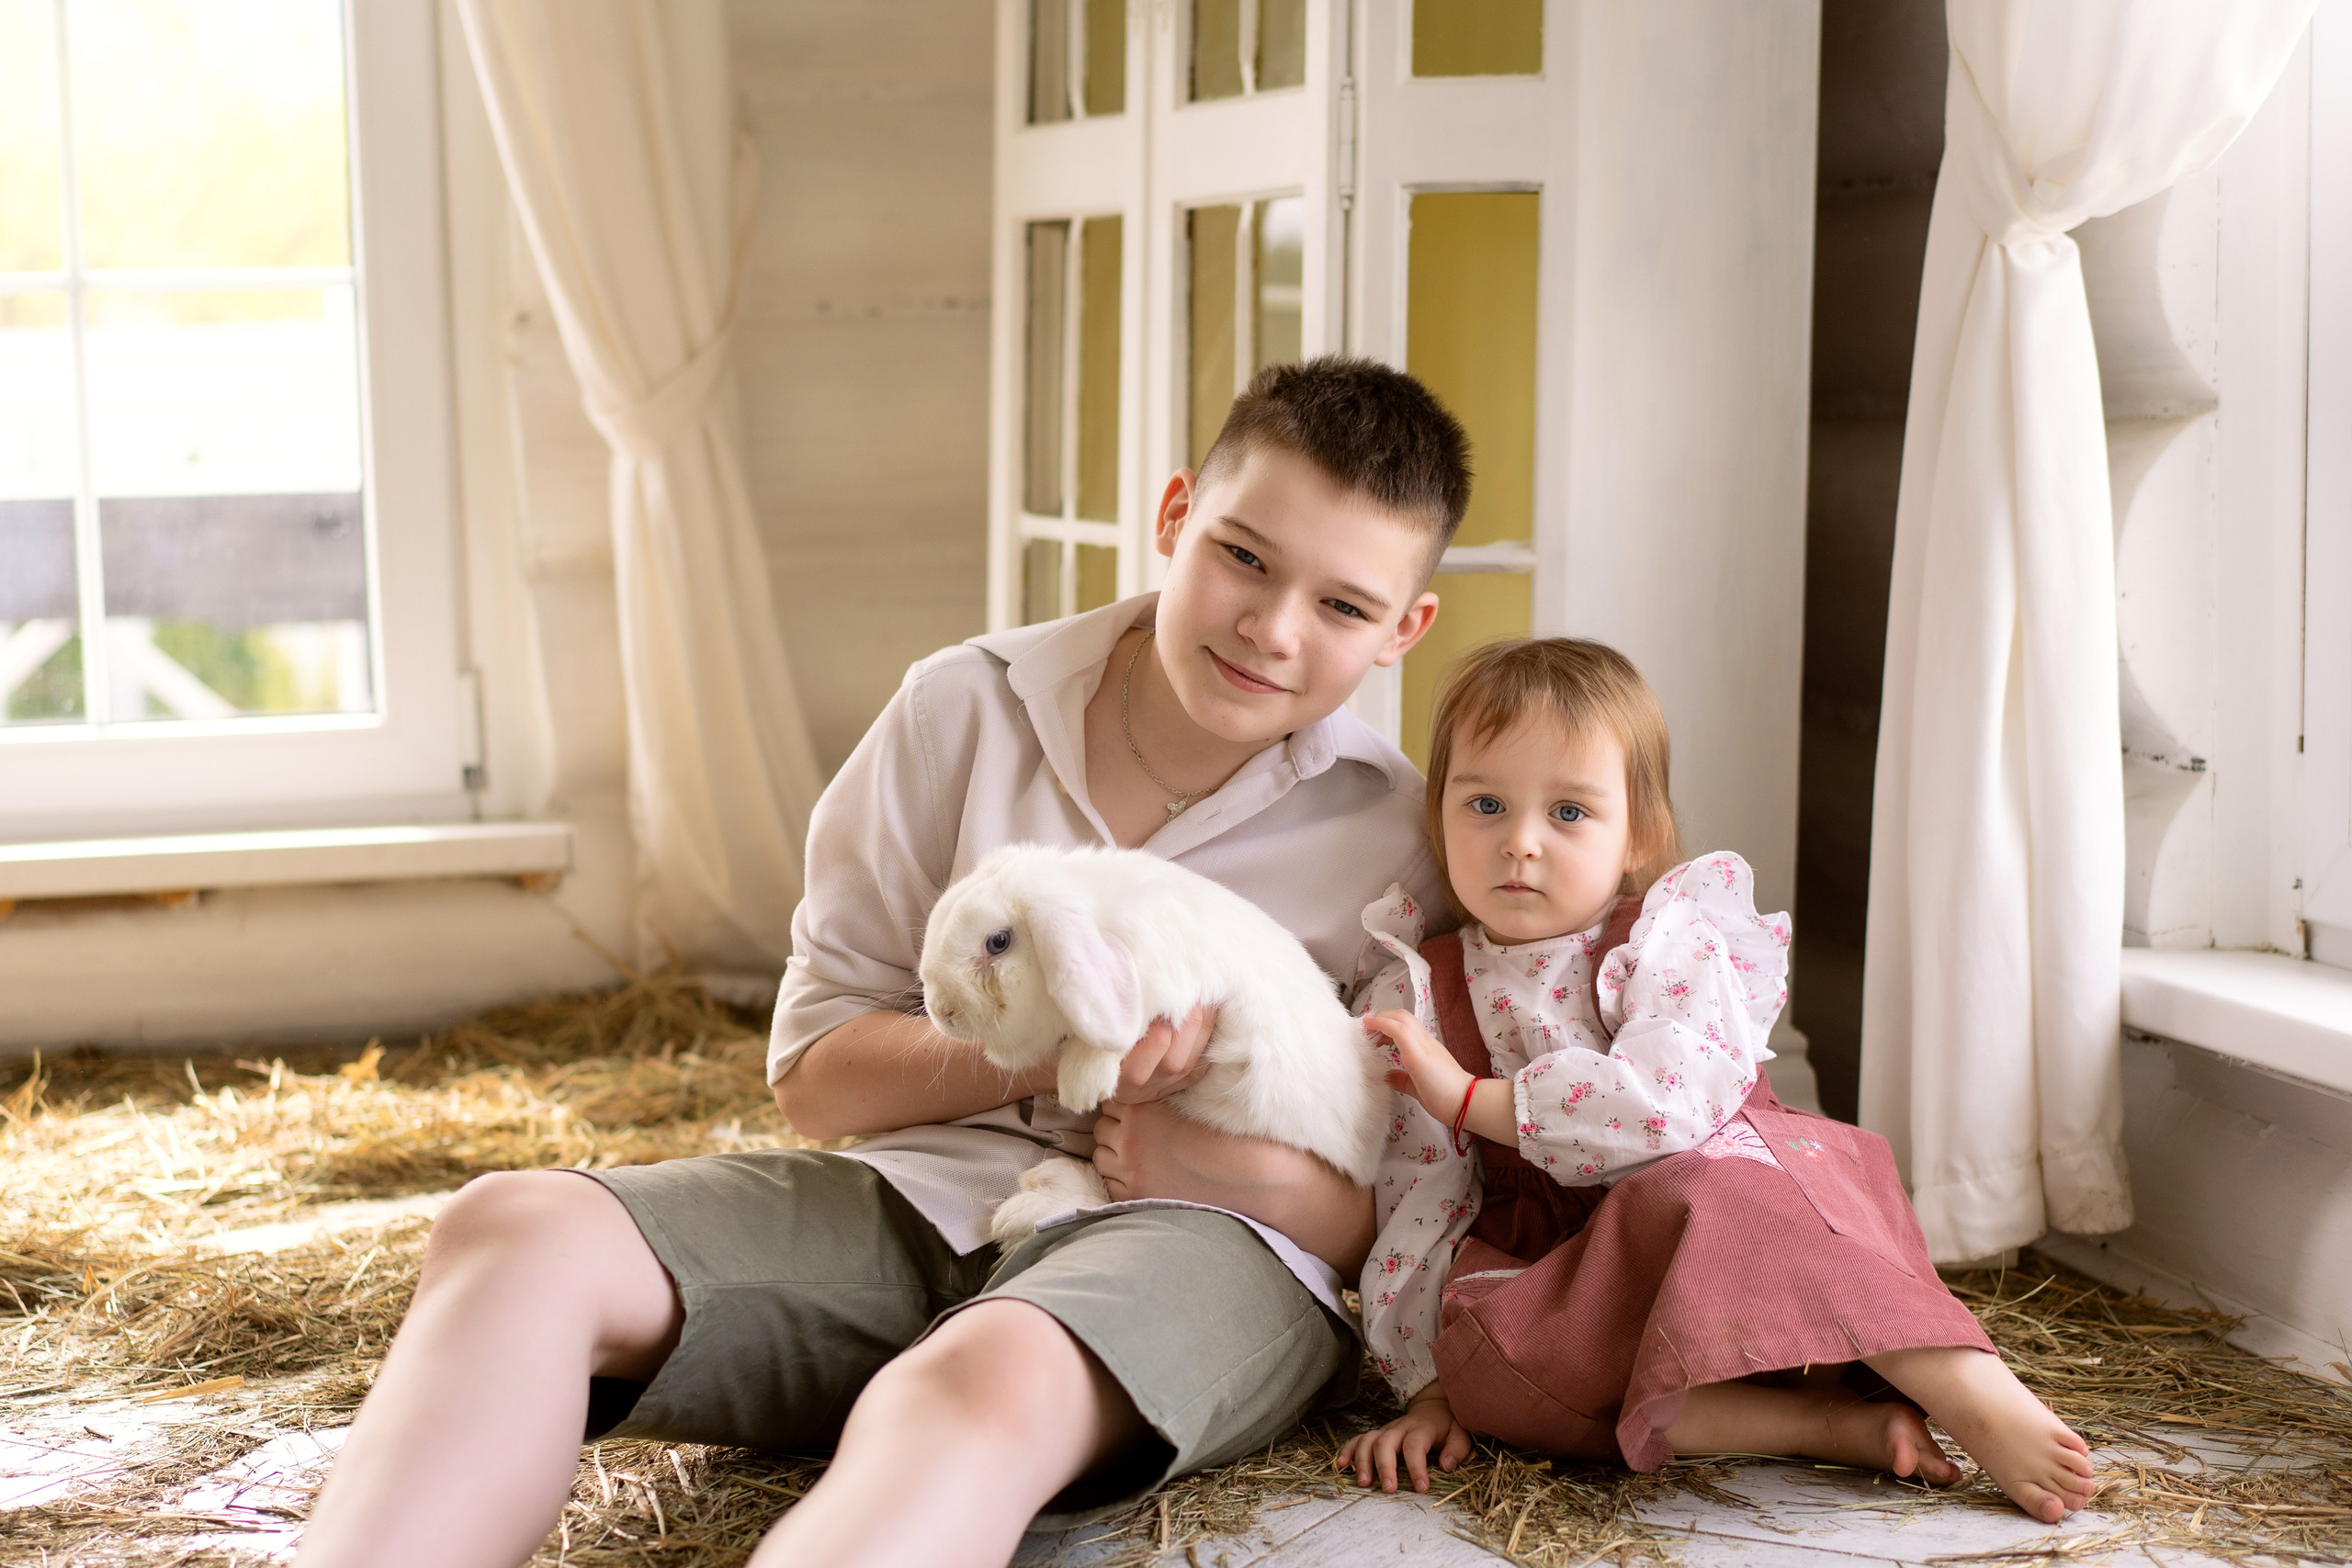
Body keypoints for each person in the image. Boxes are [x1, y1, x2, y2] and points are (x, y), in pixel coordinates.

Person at [292, 357, 1463, 1568]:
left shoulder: (1401, 838)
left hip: (1205, 1237)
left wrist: (1238, 1168)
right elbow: (818, 1078)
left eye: (1340, 605)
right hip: (927, 1194)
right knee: (512, 1226)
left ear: (1401, 631)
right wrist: (1050, 1038)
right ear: (1175, 517)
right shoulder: (963, 708)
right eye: (1245, 557)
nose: (1271, 628)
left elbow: (1424, 1193)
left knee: (972, 1376)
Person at [1337, 638, 2097, 1524]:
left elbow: (1667, 1105)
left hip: (1738, 1229)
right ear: (1440, 818)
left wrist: (1472, 1101)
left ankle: (1961, 1380)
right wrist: (1428, 1389)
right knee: (1491, 1377)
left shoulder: (1668, 938)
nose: (1521, 842)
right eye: (1486, 803)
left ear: (1639, 837)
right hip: (1584, 1289)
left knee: (1714, 1188)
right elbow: (1417, 1198)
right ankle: (1812, 1425)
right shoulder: (1417, 989)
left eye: (1571, 811)